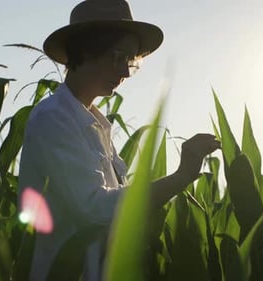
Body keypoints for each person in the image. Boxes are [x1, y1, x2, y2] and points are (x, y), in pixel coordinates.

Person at [17, 0, 221, 280]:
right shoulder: (53, 119)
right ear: (86, 50)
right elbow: (95, 209)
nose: (125, 72)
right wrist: (181, 176)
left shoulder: (96, 126)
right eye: (118, 58)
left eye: (130, 62)